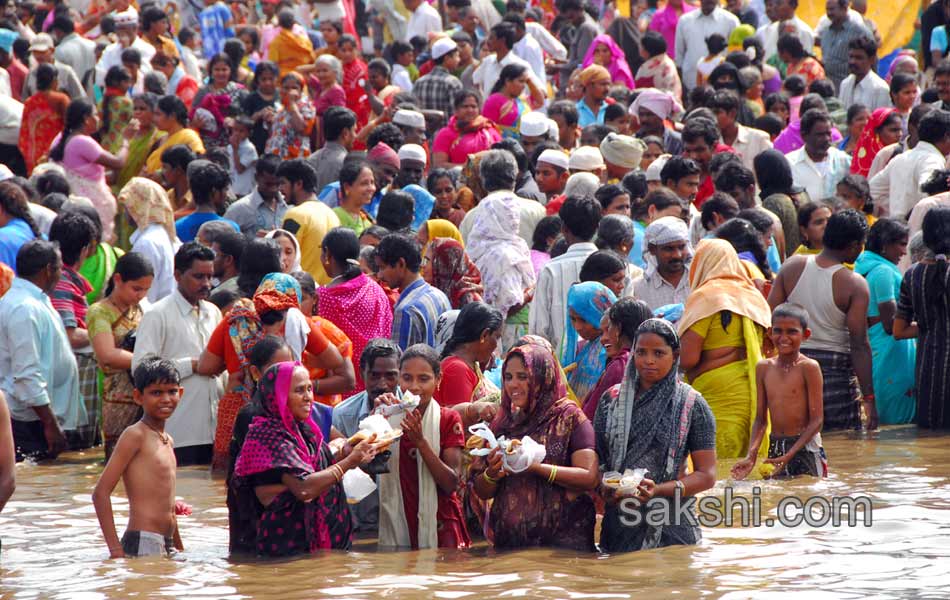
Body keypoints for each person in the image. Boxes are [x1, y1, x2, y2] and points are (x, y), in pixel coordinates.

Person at [199, 271, 347, 471]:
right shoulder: (295, 321)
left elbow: (205, 367)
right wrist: (302, 358)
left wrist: (235, 359)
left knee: (230, 474)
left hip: (236, 409)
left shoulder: (235, 319)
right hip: (279, 408)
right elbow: (335, 360)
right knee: (285, 470)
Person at [594, 318, 717, 552]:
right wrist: (605, 487)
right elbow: (599, 460)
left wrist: (658, 490)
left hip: (673, 525)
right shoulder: (611, 401)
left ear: (675, 355)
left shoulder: (692, 404)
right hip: (620, 522)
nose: (649, 361)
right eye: (641, 352)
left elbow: (707, 475)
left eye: (659, 353)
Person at [232, 361, 376, 556]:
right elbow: (304, 487)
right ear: (279, 396)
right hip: (286, 553)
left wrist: (345, 452)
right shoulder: (267, 436)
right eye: (299, 390)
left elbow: (314, 465)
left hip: (316, 550)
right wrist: (350, 462)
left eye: (309, 389)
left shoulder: (304, 430)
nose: (308, 397)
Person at [470, 339, 599, 551]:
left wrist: (534, 467)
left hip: (563, 549)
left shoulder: (569, 418)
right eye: (508, 377)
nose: (513, 384)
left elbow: (589, 477)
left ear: (543, 377)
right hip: (510, 547)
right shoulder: (503, 423)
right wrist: (492, 473)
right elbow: (482, 491)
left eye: (523, 377)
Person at [769, 209, 877, 431]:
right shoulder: (855, 284)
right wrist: (869, 398)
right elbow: (859, 344)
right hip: (835, 379)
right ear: (854, 245)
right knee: (841, 446)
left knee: (794, 441)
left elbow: (767, 318)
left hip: (791, 371)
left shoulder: (791, 266)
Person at [678, 239, 771, 467]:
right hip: (754, 394)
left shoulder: (705, 297)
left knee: (714, 474)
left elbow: (687, 358)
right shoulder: (755, 297)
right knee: (748, 475)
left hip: (716, 397)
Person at [132, 243, 224, 465]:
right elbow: (141, 368)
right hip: (181, 431)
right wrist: (191, 365)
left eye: (210, 277)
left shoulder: (213, 312)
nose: (206, 284)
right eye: (198, 276)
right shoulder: (158, 314)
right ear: (177, 275)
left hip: (216, 430)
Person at [377, 344, 470, 550]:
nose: (414, 387)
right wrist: (376, 420)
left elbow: (451, 483)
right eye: (407, 378)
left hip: (441, 526)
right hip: (400, 520)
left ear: (438, 380)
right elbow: (371, 468)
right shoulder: (389, 417)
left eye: (424, 379)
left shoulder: (447, 419)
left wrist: (421, 443)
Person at [92, 358, 184, 558]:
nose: (166, 399)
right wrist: (116, 551)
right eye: (156, 393)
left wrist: (179, 547)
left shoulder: (168, 440)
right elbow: (100, 493)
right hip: (143, 540)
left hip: (165, 543)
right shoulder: (135, 435)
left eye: (172, 391)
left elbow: (168, 505)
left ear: (181, 393)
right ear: (138, 396)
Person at [0, 240, 83, 461]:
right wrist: (50, 424)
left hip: (37, 417)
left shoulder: (37, 300)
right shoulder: (24, 308)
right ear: (48, 269)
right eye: (59, 269)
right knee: (28, 487)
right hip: (26, 421)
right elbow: (27, 374)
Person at [731, 303, 826, 480]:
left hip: (806, 447)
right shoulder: (764, 367)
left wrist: (790, 454)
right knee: (777, 500)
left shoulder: (809, 367)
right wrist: (751, 456)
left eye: (791, 331)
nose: (784, 337)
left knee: (811, 495)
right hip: (776, 446)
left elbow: (817, 421)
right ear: (769, 332)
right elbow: (760, 419)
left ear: (806, 335)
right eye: (778, 331)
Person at [331, 338, 401, 532]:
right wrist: (373, 425)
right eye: (374, 376)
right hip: (361, 517)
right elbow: (339, 468)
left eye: (391, 376)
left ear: (400, 374)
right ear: (362, 374)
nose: (383, 384)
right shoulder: (343, 414)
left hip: (403, 514)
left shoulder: (413, 409)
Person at [88, 252, 154, 459]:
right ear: (118, 279)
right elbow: (107, 355)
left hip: (146, 394)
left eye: (146, 289)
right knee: (118, 459)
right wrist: (150, 363)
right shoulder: (100, 311)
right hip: (117, 397)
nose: (141, 295)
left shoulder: (143, 308)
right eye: (136, 288)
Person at [853, 219, 916, 425]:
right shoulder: (883, 272)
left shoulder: (861, 266)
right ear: (884, 244)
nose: (904, 252)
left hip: (876, 347)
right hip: (891, 352)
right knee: (900, 420)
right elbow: (890, 324)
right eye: (901, 244)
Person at [893, 207, 950, 428]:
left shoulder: (912, 274)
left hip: (928, 372)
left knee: (930, 433)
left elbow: (899, 331)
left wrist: (930, 325)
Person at [47, 212, 99, 450]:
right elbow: (70, 335)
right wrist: (106, 335)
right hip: (72, 377)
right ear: (86, 248)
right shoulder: (63, 283)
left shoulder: (60, 279)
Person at [49, 98, 132, 242]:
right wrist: (126, 141)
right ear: (86, 119)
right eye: (95, 114)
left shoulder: (62, 138)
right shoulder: (82, 141)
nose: (98, 118)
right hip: (92, 209)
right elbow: (118, 162)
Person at [530, 195, 602, 351]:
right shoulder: (619, 268)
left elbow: (539, 330)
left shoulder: (550, 270)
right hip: (607, 365)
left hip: (561, 368)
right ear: (597, 227)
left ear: (564, 229)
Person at [870, 110, 950, 221]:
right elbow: (928, 193)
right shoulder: (931, 160)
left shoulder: (901, 157)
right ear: (946, 136)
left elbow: (872, 190)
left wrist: (898, 208)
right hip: (917, 229)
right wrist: (909, 214)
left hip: (897, 228)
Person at [376, 233, 450, 350]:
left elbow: (400, 362)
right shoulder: (439, 295)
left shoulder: (406, 310)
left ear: (401, 264)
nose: (379, 275)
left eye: (383, 267)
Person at [582, 298, 652, 420]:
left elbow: (593, 415)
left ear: (618, 329)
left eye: (609, 329)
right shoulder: (649, 362)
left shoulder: (620, 366)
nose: (603, 339)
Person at [279, 159, 342, 285]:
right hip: (324, 294)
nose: (280, 189)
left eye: (283, 183)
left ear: (298, 184)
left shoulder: (295, 214)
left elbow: (283, 260)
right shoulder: (333, 215)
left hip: (300, 292)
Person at [117, 177, 179, 303]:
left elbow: (144, 296)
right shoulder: (164, 235)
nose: (126, 212)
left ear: (139, 206)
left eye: (128, 206)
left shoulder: (146, 243)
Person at [561, 281, 617, 405]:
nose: (577, 327)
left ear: (600, 314)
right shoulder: (583, 347)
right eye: (573, 319)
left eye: (583, 320)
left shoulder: (612, 350)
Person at [787, 110, 852, 204]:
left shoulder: (843, 161)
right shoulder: (790, 164)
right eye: (820, 135)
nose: (826, 139)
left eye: (828, 134)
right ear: (804, 136)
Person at [674, 0, 739, 92]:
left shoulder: (731, 21)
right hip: (690, 86)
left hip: (722, 90)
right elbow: (679, 58)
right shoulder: (685, 21)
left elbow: (735, 56)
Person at [632, 216, 693, 311]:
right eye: (669, 249)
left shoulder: (699, 280)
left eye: (681, 247)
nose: (677, 255)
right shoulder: (638, 288)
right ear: (652, 249)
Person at [18, 63, 69, 176]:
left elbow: (24, 133)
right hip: (54, 154)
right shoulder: (61, 99)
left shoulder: (29, 102)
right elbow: (70, 126)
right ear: (54, 80)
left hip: (32, 157)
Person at [175, 160, 239, 243]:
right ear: (214, 191)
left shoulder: (177, 227)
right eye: (225, 189)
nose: (226, 195)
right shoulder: (230, 228)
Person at [145, 96, 205, 175]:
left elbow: (197, 164)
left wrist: (161, 175)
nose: (154, 119)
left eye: (158, 114)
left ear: (172, 116)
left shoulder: (189, 137)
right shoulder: (160, 139)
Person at [265, 72, 317, 160]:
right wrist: (269, 122)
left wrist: (292, 103)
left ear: (301, 90)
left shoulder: (306, 106)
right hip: (276, 157)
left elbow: (302, 129)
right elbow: (277, 133)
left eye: (294, 88)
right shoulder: (281, 107)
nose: (290, 91)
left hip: (294, 159)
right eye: (286, 88)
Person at [423, 238, 483, 311]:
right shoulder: (434, 291)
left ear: (443, 264)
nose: (422, 265)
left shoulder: (470, 301)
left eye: (427, 260)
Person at [482, 63, 541, 138]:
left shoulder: (521, 99)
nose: (524, 86)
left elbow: (539, 101)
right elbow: (487, 127)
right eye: (521, 81)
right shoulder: (494, 100)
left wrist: (529, 81)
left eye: (525, 82)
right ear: (508, 81)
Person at [307, 106, 355, 194]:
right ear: (345, 133)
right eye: (354, 131)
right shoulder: (346, 163)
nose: (355, 136)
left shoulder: (311, 159)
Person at [838, 36, 890, 112]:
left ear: (872, 60)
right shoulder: (845, 84)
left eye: (858, 58)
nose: (852, 61)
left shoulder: (880, 89)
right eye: (851, 57)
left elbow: (880, 121)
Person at [333, 159, 376, 236]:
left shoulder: (367, 221)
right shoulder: (333, 217)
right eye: (364, 183)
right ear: (347, 187)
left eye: (372, 182)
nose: (371, 188)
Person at [267, 8, 315, 77]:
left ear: (279, 23)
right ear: (294, 23)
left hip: (284, 78)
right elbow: (312, 59)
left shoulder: (276, 43)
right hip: (303, 76)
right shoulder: (304, 41)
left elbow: (272, 65)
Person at [635, 34, 683, 101]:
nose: (640, 49)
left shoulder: (648, 69)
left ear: (647, 51)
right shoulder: (667, 62)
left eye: (641, 46)